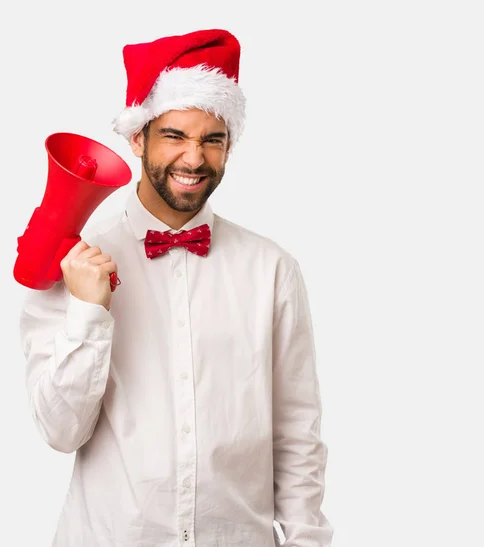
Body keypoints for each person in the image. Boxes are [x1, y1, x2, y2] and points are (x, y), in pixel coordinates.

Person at [19, 28, 334, 547]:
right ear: (138, 137)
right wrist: (89, 312)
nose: (194, 159)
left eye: (212, 139)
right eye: (174, 136)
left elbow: (297, 435)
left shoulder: (272, 269)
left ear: (229, 146)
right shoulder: (71, 260)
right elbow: (60, 432)